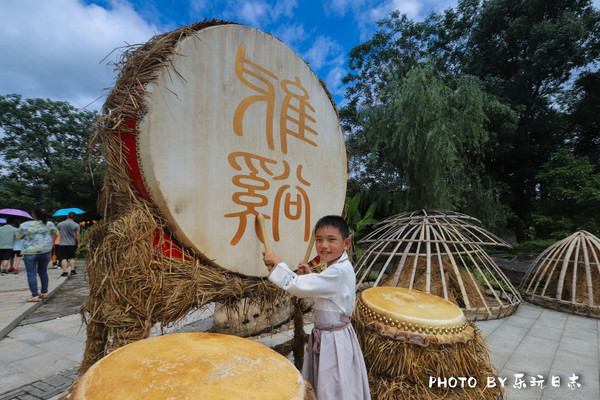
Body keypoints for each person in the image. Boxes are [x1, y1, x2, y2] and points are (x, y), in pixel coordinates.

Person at [262, 215, 371, 400]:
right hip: (332, 336)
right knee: (332, 383)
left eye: (331, 240)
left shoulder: (338, 271)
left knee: (332, 387)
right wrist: (311, 276)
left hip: (333, 340)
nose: (324, 245)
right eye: (319, 240)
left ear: (346, 243)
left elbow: (296, 285)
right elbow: (328, 297)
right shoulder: (338, 266)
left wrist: (277, 262)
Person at [17, 206, 58, 302]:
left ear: (33, 214)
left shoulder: (25, 225)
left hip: (30, 252)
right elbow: (56, 233)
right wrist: (51, 243)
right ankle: (44, 293)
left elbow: (18, 237)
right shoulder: (49, 224)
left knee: (31, 273)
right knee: (43, 271)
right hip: (45, 252)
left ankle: (35, 295)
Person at [56, 212, 80, 277]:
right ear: (74, 217)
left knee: (63, 258)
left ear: (67, 216)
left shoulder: (60, 224)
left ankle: (65, 272)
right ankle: (72, 270)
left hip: (62, 243)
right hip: (72, 243)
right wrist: (78, 243)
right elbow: (77, 235)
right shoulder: (76, 225)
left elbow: (56, 233)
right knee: (72, 257)